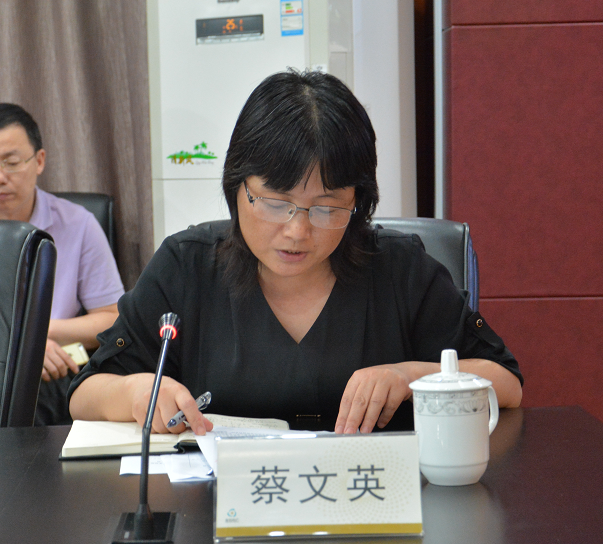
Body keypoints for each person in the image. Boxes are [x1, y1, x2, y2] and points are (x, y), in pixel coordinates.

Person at [68, 70, 522, 436]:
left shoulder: (400, 269)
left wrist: (410, 377)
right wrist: (137, 392)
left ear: (358, 204)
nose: (297, 231)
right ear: (237, 187)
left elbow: (505, 383)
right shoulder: (187, 265)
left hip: (375, 502)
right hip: (225, 508)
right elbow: (85, 393)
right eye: (274, 202)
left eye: (327, 208)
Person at [0, 103, 124, 424]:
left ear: (39, 161)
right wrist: (21, 343)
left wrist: (38, 336)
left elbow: (112, 319)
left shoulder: (78, 224)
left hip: (53, 367)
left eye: (11, 163)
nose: (1, 177)